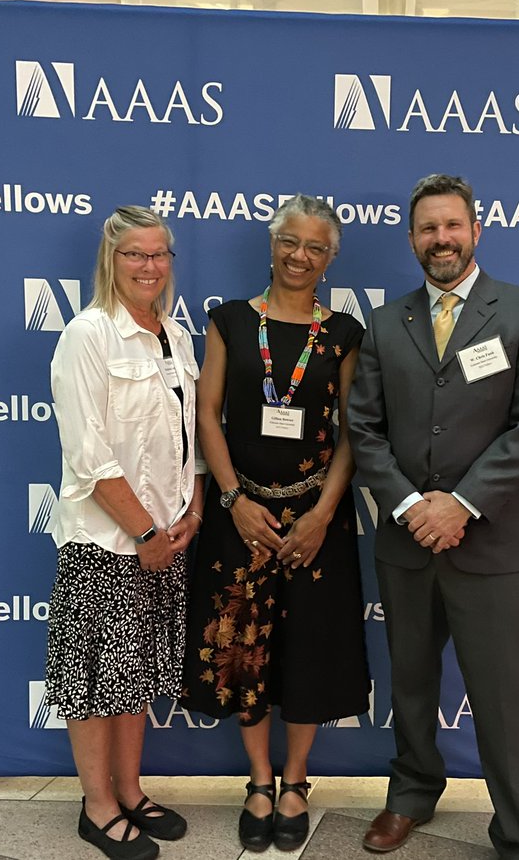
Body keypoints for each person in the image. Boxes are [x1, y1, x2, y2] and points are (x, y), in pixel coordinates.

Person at [347, 174, 519, 859]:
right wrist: (413, 507)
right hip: (407, 542)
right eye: (427, 229)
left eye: (452, 226)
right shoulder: (386, 323)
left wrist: (460, 504)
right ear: (412, 239)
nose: (441, 239)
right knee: (409, 682)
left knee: (504, 698)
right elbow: (366, 431)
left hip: (489, 544)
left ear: (476, 230)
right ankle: (410, 795)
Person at [180, 194, 371, 852]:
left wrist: (321, 514)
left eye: (316, 247)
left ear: (331, 258)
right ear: (272, 243)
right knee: (243, 649)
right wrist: (233, 499)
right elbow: (207, 416)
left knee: (312, 648)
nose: (301, 256)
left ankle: (295, 781)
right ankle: (259, 781)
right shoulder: (230, 321)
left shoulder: (343, 332)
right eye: (291, 241)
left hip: (318, 521)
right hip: (243, 514)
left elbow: (355, 432)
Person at [45, 206, 207, 860]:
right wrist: (144, 532)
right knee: (93, 681)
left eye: (160, 254)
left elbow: (186, 437)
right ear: (111, 261)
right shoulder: (88, 335)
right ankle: (98, 805)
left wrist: (190, 513)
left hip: (164, 541)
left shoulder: (176, 335)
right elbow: (89, 455)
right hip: (109, 544)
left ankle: (132, 790)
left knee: (134, 677)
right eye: (135, 255)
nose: (149, 267)